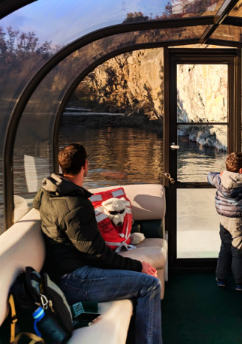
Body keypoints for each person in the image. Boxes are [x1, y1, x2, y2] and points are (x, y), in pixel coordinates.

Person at [33, 143, 162, 344]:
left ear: (61, 167)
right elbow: (97, 254)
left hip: (59, 273)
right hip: (76, 279)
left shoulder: (47, 192)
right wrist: (138, 266)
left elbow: (41, 207)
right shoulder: (77, 203)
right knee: (150, 285)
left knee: (141, 281)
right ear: (86, 165)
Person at [208, 152, 242, 291]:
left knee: (225, 248)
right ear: (241, 170)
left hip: (224, 219)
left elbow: (209, 175)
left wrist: (222, 173)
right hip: (239, 220)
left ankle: (221, 279)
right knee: (237, 252)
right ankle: (239, 282)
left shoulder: (219, 179)